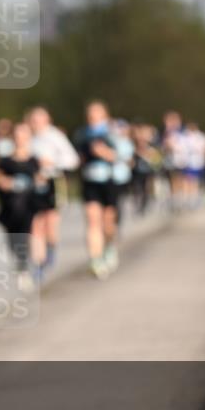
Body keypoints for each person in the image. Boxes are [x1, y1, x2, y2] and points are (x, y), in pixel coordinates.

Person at [74, 101, 127, 279]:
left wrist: (104, 153)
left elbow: (125, 156)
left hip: (110, 180)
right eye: (90, 114)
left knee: (108, 222)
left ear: (104, 115)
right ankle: (95, 259)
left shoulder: (113, 133)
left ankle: (110, 247)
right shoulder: (82, 134)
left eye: (96, 114)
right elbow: (76, 157)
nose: (92, 117)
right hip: (90, 181)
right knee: (92, 219)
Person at [27, 106, 79, 281]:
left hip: (53, 182)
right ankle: (38, 263)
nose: (35, 124)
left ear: (47, 120)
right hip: (33, 184)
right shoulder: (28, 137)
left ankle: (51, 250)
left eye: (39, 120)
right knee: (35, 225)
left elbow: (72, 160)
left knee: (50, 223)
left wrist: (52, 162)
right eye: (33, 120)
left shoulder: (55, 136)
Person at [0, 123, 42, 292]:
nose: (20, 139)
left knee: (27, 235)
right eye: (17, 135)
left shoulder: (34, 160)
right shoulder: (5, 161)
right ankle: (21, 262)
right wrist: (6, 183)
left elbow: (41, 179)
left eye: (24, 135)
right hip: (9, 206)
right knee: (13, 239)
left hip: (29, 205)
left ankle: (27, 267)